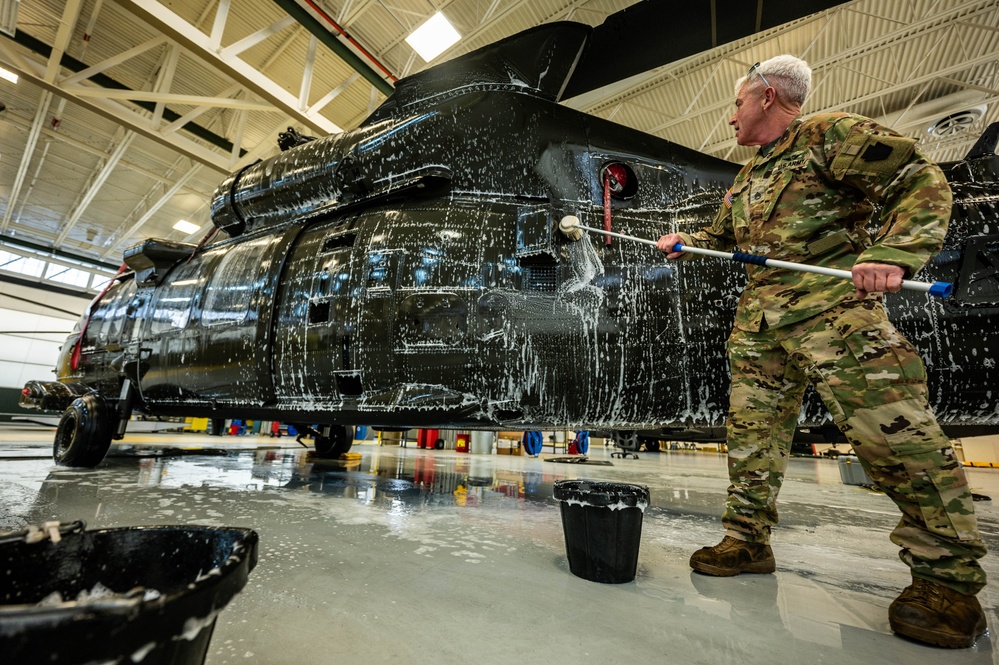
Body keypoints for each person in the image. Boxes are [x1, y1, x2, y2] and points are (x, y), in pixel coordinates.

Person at [656, 55, 987, 649]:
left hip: (835, 312)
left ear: (764, 97)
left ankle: (947, 581)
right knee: (753, 439)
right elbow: (728, 236)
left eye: (736, 103)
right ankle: (747, 541)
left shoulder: (829, 135)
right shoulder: (752, 172)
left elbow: (918, 177)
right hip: (762, 323)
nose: (730, 117)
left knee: (894, 435)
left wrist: (897, 251)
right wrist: (689, 241)